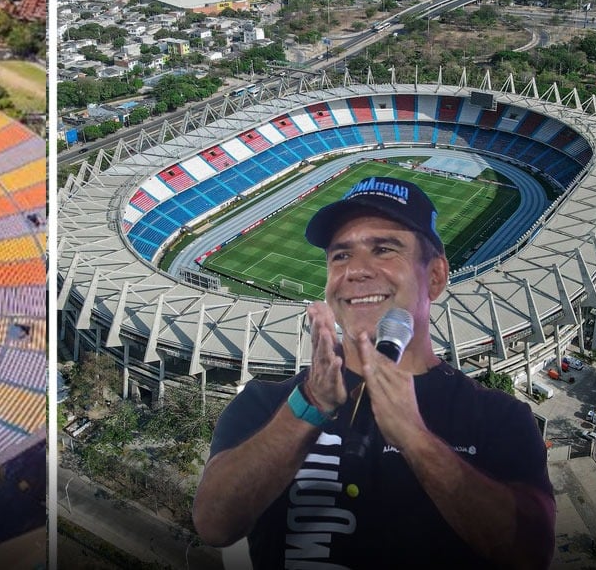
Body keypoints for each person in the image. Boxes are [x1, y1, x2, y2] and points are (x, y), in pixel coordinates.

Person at [193, 175, 555, 568]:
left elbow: (531, 555)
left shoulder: (499, 418)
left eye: (383, 249)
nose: (356, 271)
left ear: (434, 276)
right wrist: (307, 409)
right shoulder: (267, 403)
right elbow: (214, 525)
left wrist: (417, 442)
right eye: (341, 256)